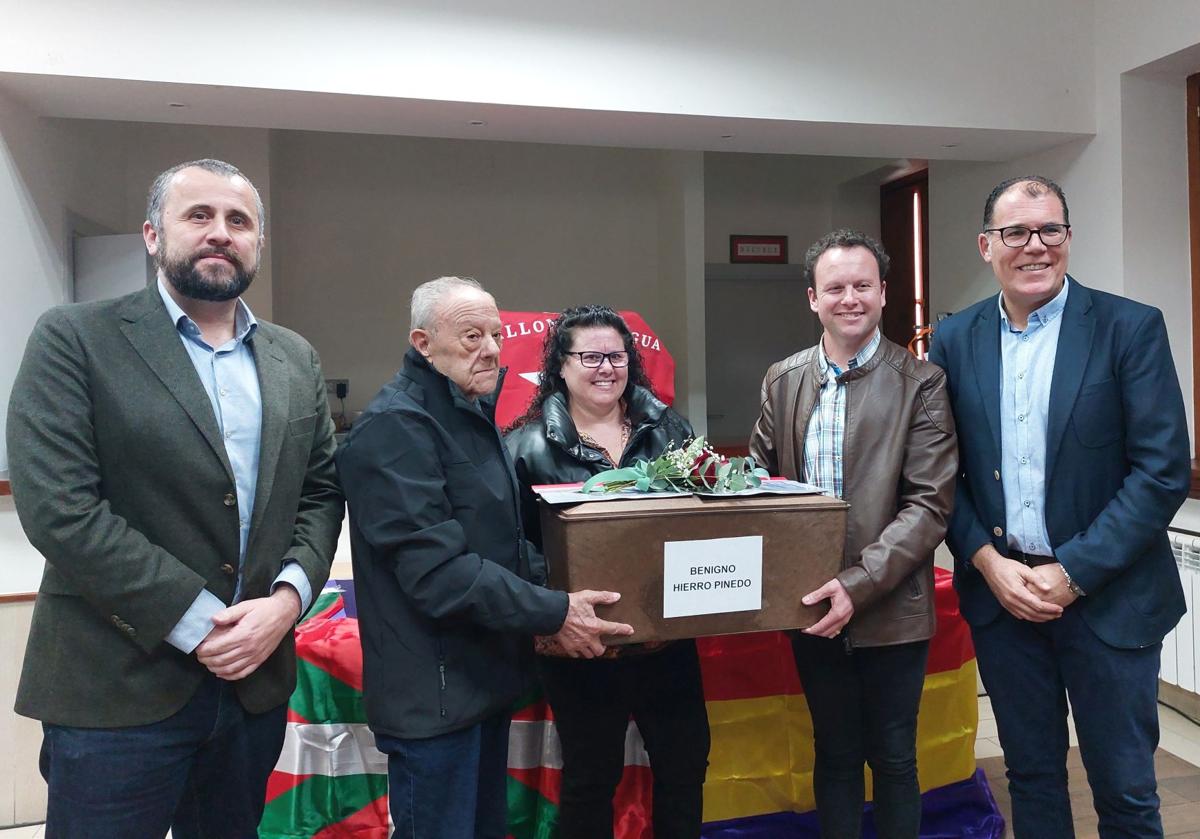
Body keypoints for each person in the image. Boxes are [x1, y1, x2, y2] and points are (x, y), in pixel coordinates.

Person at [5, 158, 344, 838]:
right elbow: (61, 508)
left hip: (252, 688)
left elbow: (321, 491)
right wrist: (200, 622)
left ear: (256, 243)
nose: (220, 232)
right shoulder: (76, 337)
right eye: (199, 215)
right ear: (153, 236)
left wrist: (284, 604)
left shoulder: (293, 357)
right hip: (116, 686)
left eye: (239, 221)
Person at [928, 175, 1191, 838]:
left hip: (1110, 600)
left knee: (1127, 792)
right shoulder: (954, 340)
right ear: (987, 246)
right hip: (1005, 600)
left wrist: (1071, 571)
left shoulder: (1129, 328)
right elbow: (939, 475)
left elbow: (1160, 473)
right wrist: (987, 562)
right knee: (1032, 781)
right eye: (1016, 232)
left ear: (1069, 239)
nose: (1034, 245)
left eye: (1050, 229)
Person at [336, 277, 634, 839]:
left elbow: (500, 545)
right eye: (472, 336)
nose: (493, 349)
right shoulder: (396, 427)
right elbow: (438, 573)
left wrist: (571, 589)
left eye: (496, 335)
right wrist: (554, 611)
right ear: (422, 343)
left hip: (479, 684)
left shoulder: (468, 413)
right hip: (435, 697)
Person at [748, 229, 956, 838]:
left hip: (893, 607)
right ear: (812, 297)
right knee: (834, 754)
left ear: (885, 293)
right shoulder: (781, 379)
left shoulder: (923, 382)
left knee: (893, 759)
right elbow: (760, 487)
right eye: (834, 287)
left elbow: (929, 506)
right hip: (811, 607)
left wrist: (855, 585)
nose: (850, 298)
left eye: (863, 285)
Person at [505, 304, 711, 839]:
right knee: (592, 778)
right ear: (561, 365)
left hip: (667, 641)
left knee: (685, 768)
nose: (605, 368)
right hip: (582, 644)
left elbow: (705, 517)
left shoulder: (670, 430)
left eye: (616, 356)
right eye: (590, 356)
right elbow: (513, 546)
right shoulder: (524, 446)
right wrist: (558, 606)